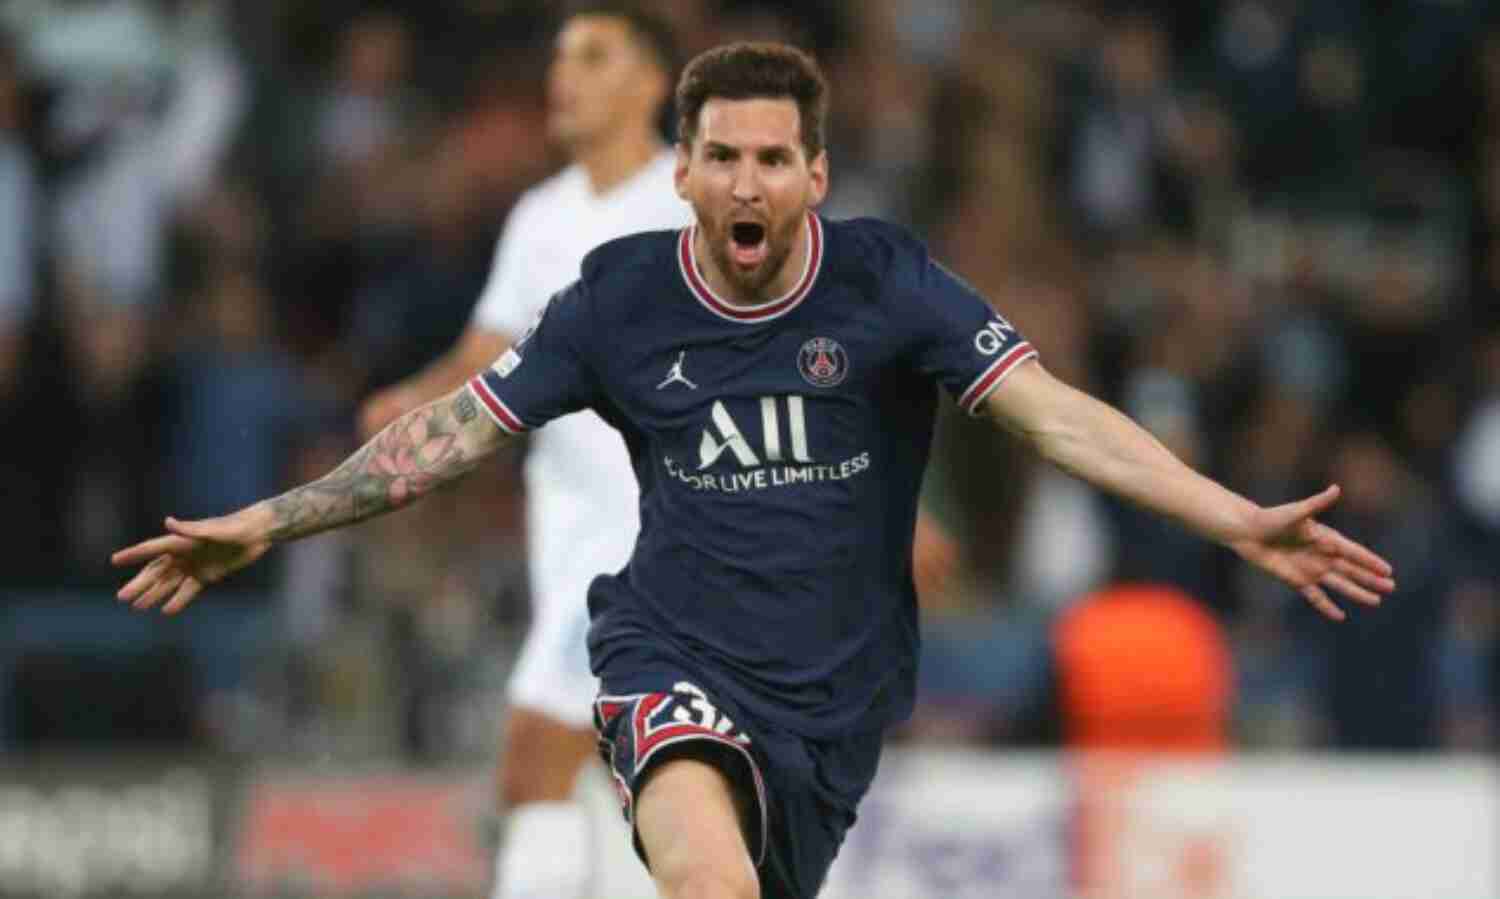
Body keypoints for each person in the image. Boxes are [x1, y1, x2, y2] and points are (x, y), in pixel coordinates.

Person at [113, 42, 1397, 899]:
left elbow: (1057, 416)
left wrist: (1236, 516)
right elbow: (448, 435)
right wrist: (267, 523)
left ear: (814, 175)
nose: (746, 181)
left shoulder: (888, 283)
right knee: (708, 877)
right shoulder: (616, 302)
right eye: (721, 156)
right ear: (682, 171)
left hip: (833, 709)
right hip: (667, 657)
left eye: (773, 158)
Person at [359, 5, 685, 899]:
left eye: (594, 57)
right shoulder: (541, 216)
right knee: (610, 775)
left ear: (650, 82)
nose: (563, 76)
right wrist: (411, 401)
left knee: (540, 760)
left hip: (653, 536)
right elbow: (484, 354)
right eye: (560, 57)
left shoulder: (686, 205)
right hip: (570, 533)